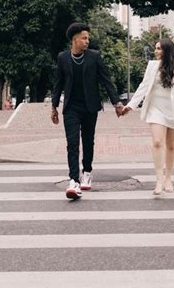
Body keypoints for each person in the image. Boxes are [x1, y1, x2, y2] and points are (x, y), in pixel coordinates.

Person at [51, 22, 124, 200]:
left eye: (87, 38)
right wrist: (54, 107)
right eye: (84, 38)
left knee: (88, 141)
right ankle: (74, 181)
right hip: (71, 108)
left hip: (90, 107)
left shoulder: (94, 57)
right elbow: (58, 83)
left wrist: (117, 102)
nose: (87, 41)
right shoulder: (63, 58)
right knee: (72, 142)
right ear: (74, 40)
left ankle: (87, 172)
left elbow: (106, 80)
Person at [122, 39, 174, 195]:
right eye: (155, 48)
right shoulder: (152, 66)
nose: (156, 51)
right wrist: (131, 105)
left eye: (159, 49)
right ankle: (159, 180)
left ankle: (168, 178)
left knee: (172, 145)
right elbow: (144, 86)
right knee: (157, 142)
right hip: (156, 109)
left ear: (167, 50)